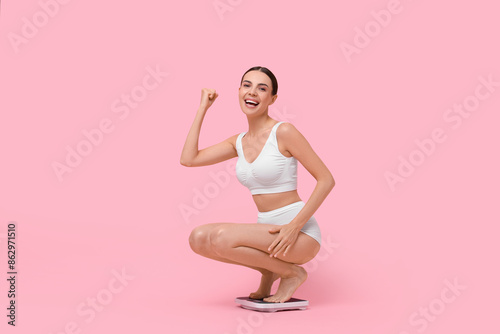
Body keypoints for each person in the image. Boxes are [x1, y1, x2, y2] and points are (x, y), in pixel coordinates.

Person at [180, 66, 335, 303]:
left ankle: (292, 273)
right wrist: (203, 108)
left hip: (299, 235)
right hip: (266, 232)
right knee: (198, 238)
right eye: (247, 85)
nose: (252, 92)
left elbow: (326, 179)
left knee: (222, 238)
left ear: (272, 99)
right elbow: (189, 160)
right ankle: (269, 271)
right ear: (239, 91)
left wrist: (294, 227)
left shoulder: (283, 131)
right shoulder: (239, 142)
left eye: (262, 88)